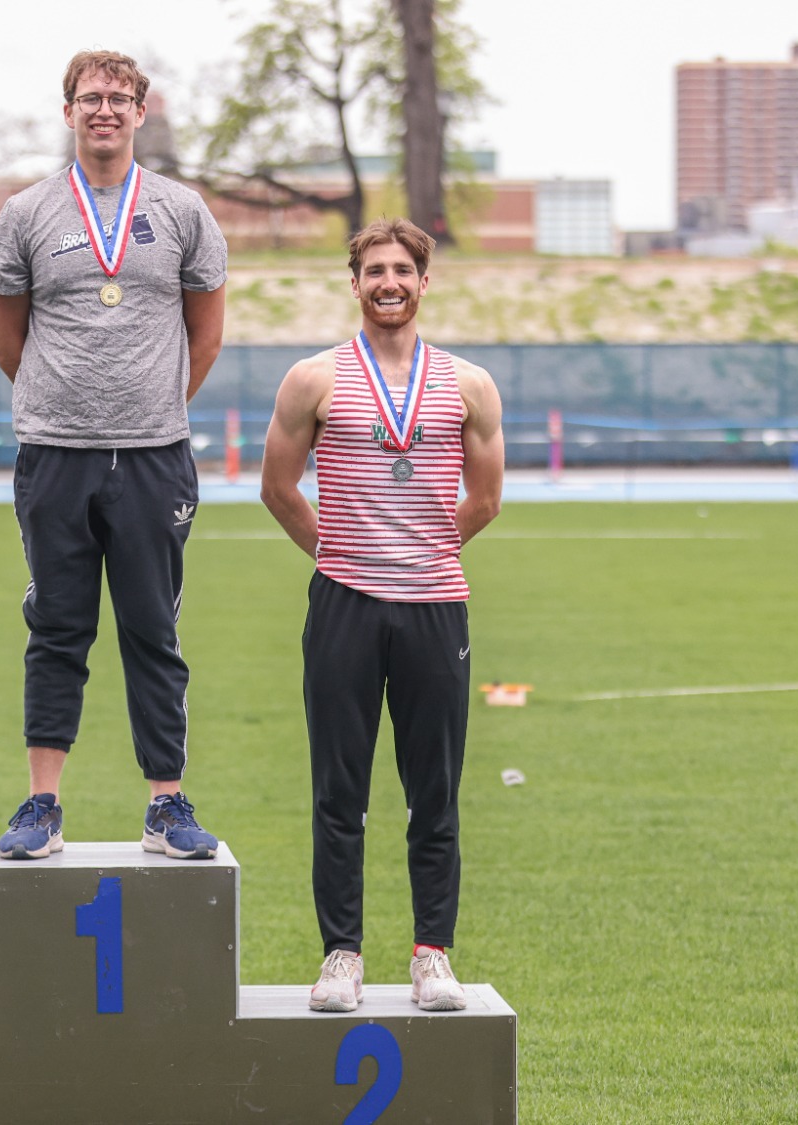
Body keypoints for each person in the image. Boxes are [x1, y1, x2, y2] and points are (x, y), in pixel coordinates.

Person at [0, 50, 228, 862]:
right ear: (68, 111)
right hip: (55, 454)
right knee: (56, 628)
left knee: (154, 630)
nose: (106, 110)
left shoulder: (183, 210)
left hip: (156, 456)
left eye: (120, 98)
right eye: (91, 97)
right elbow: (7, 337)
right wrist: (68, 404)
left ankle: (166, 803)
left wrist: (149, 404)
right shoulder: (26, 213)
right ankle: (42, 804)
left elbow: (207, 332)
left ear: (140, 113)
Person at [258, 219, 505, 1013]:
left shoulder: (469, 384)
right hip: (344, 605)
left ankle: (433, 954)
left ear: (425, 282)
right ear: (354, 282)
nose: (388, 281)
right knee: (340, 791)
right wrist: (344, 552)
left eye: (403, 269)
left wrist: (425, 552)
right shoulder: (313, 380)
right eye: (373, 270)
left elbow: (488, 498)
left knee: (433, 793)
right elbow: (278, 487)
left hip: (436, 608)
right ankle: (342, 956)